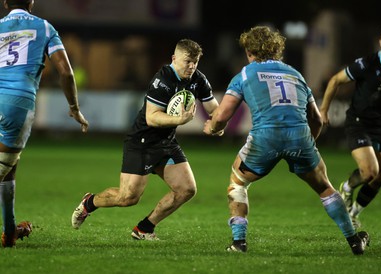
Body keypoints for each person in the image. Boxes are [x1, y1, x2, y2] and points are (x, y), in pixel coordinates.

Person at [203, 26, 369, 255]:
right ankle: (353, 240)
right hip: (300, 137)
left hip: (265, 139)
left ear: (249, 51)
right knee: (325, 188)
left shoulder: (245, 74)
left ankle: (239, 243)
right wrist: (307, 144)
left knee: (237, 183)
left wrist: (213, 128)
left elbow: (222, 116)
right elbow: (317, 120)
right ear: (276, 49)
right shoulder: (295, 74)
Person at [71, 39, 219, 240]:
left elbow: (214, 109)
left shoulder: (198, 79)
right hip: (142, 142)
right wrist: (180, 119)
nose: (191, 66)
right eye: (187, 61)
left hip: (167, 142)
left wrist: (218, 124)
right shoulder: (163, 80)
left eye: (195, 61)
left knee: (186, 189)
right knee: (128, 198)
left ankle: (145, 228)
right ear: (174, 59)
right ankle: (90, 202)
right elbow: (152, 117)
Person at [0, 0, 89, 247]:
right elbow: (66, 72)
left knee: (9, 169)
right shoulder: (45, 28)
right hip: (17, 103)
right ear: (31, 2)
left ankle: (9, 232)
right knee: (4, 168)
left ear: (5, 2)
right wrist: (74, 108)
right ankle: (8, 233)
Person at [319, 24, 381, 229]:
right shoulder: (367, 64)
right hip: (359, 122)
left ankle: (354, 213)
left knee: (379, 178)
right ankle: (346, 187)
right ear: (380, 43)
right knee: (369, 172)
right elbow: (336, 80)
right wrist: (323, 110)